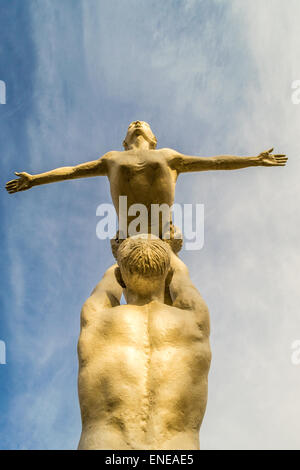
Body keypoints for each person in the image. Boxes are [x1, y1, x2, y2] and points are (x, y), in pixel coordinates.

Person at [77, 235, 211, 450]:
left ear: (121, 276)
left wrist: (120, 253)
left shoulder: (95, 318)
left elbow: (107, 287)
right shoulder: (195, 320)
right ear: (168, 275)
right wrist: (171, 250)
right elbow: (182, 280)